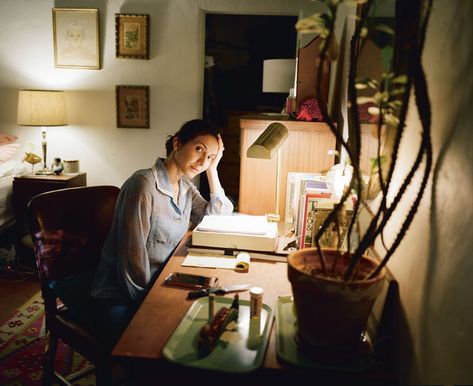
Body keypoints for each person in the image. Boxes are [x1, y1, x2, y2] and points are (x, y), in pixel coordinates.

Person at [90, 119, 234, 349]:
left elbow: (217, 217)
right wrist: (154, 306)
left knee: (204, 324)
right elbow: (131, 265)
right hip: (122, 293)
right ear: (177, 143)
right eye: (199, 149)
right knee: (158, 344)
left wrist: (213, 171)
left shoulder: (185, 187)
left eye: (210, 157)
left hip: (160, 282)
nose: (202, 161)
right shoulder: (143, 185)